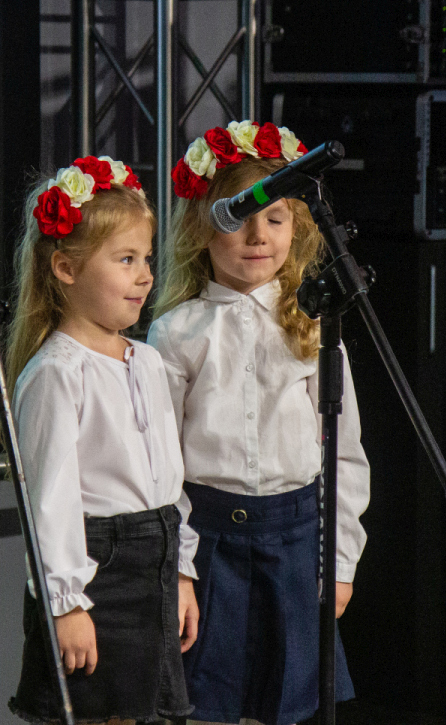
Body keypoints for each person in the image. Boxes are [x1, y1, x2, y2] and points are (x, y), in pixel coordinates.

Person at [149, 121, 371, 725]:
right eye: (240, 217)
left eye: (275, 218)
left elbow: (343, 453)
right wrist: (181, 569)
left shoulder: (315, 323)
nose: (257, 235)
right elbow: (163, 467)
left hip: (296, 542)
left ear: (297, 228)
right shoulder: (176, 333)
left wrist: (339, 561)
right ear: (202, 226)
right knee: (207, 706)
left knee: (289, 707)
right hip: (209, 540)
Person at [4, 156, 200, 724]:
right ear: (66, 268)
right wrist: (65, 605)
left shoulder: (147, 359)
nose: (145, 276)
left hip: (153, 561)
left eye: (146, 259)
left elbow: (169, 481)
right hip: (95, 574)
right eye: (125, 259)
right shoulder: (57, 371)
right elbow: (50, 504)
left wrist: (181, 571)